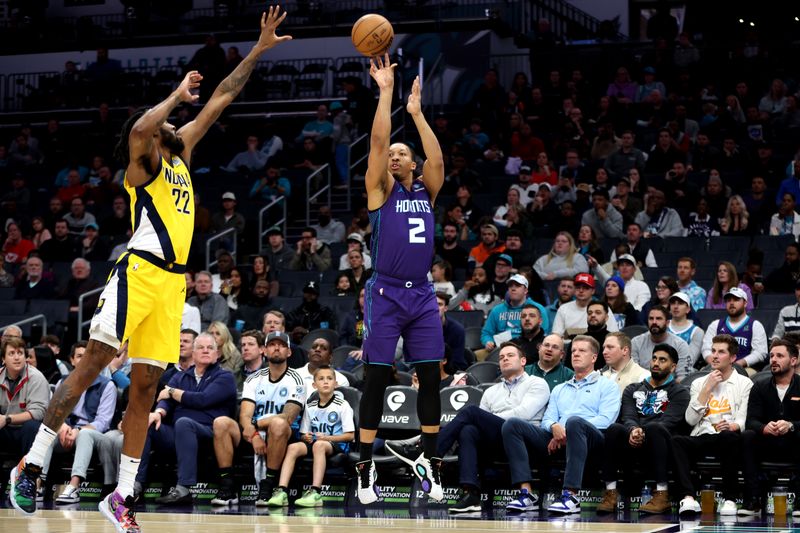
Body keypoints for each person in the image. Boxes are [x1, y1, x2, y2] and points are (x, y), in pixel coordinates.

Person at [8, 8, 292, 528]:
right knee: (92, 364)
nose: (182, 123)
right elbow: (141, 125)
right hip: (136, 273)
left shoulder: (181, 157)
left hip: (170, 286)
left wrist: (256, 49)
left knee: (144, 388)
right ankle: (32, 465)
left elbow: (224, 95)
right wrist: (174, 99)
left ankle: (120, 496)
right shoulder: (142, 167)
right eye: (172, 123)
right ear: (160, 131)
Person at [355, 55, 446, 504]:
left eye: (401, 154)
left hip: (424, 295)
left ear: (413, 164)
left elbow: (438, 158)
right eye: (391, 154)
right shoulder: (380, 189)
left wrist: (416, 114)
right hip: (385, 293)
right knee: (374, 378)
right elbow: (376, 143)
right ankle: (364, 468)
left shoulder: (426, 189)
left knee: (431, 379)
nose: (393, 156)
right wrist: (386, 94)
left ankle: (429, 461)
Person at [419, 342, 549, 513]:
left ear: (523, 361)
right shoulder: (491, 391)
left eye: (510, 356)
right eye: (501, 357)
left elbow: (523, 413)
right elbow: (480, 424)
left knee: (472, 413)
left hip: (525, 440)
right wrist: (485, 420)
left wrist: (487, 419)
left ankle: (430, 454)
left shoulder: (537, 383)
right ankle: (471, 494)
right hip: (498, 442)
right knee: (468, 430)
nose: (504, 359)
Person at [502, 335, 621, 513]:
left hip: (593, 441)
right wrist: (554, 427)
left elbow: (606, 420)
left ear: (594, 357)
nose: (576, 354)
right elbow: (547, 419)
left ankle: (570, 495)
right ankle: (526, 494)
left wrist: (566, 430)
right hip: (557, 439)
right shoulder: (560, 388)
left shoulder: (608, 386)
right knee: (513, 424)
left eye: (582, 351)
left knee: (574, 422)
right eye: (573, 351)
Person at [137, 332, 237, 505]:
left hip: (210, 432)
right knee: (150, 425)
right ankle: (136, 485)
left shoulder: (225, 377)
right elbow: (165, 401)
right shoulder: (181, 376)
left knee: (184, 423)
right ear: (193, 353)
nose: (205, 351)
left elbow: (203, 399)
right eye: (200, 347)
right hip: (180, 433)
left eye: (210, 348)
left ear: (217, 353)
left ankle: (184, 488)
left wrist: (172, 392)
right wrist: (158, 412)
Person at [597, 343, 690, 514]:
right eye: (654, 358)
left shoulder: (680, 392)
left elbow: (669, 421)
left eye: (662, 360)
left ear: (673, 366)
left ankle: (662, 494)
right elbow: (629, 415)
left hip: (661, 443)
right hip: (634, 438)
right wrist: (633, 429)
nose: (656, 363)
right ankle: (611, 493)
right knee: (614, 429)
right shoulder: (632, 389)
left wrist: (642, 431)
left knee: (656, 427)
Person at [672, 334, 753, 517]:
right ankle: (689, 498)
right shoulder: (699, 382)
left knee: (728, 437)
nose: (714, 356)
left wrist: (733, 426)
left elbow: (743, 419)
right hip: (702, 434)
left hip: (727, 436)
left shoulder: (744, 383)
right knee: (677, 441)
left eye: (721, 352)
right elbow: (691, 420)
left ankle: (730, 499)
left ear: (732, 358)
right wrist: (707, 388)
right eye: (713, 351)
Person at [267, 366, 355, 507]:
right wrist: (305, 437)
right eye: (321, 379)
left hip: (337, 444)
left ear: (336, 384)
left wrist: (327, 438)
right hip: (316, 442)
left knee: (319, 445)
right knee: (293, 448)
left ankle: (315, 492)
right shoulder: (310, 406)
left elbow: (350, 436)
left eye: (329, 378)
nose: (325, 382)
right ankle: (281, 491)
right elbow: (304, 433)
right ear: (314, 385)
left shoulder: (343, 405)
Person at [45, 343, 117, 504]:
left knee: (84, 434)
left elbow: (103, 422)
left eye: (88, 356)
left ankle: (74, 487)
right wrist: (62, 426)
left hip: (97, 436)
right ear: (72, 360)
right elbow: (54, 412)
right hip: (67, 431)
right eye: (79, 356)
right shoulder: (62, 383)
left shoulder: (107, 385)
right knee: (47, 432)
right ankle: (38, 484)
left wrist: (78, 430)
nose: (84, 360)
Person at [740, 339, 800, 515]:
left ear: (793, 360)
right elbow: (751, 420)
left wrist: (791, 426)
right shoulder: (760, 386)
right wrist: (764, 428)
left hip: (794, 443)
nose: (773, 359)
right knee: (747, 436)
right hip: (767, 442)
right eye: (772, 355)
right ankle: (753, 500)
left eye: (780, 356)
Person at [0, 338, 48, 466]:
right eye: (11, 353)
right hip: (6, 431)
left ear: (25, 357)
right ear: (3, 359)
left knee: (31, 426)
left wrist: (7, 419)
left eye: (20, 353)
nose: (17, 357)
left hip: (28, 431)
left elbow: (38, 413)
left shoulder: (37, 378)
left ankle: (28, 476)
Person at [701, 287, 768, 372]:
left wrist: (739, 364)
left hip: (744, 368)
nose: (731, 303)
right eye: (729, 300)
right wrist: (714, 362)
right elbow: (706, 349)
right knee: (701, 374)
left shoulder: (755, 325)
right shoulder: (715, 324)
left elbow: (760, 352)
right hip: (717, 366)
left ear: (745, 303)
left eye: (736, 300)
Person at [480, 274, 549, 356]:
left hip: (528, 348)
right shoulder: (497, 310)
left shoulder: (537, 309)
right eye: (510, 286)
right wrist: (488, 341)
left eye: (517, 285)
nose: (513, 288)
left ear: (525, 290)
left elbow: (544, 333)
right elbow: (486, 333)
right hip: (500, 349)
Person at [631, 306, 693, 380]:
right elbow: (633, 374)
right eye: (651, 318)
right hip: (642, 387)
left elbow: (683, 378)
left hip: (671, 388)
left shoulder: (680, 345)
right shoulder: (636, 342)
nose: (654, 322)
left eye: (658, 318)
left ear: (667, 323)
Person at [667, 292, 704, 368]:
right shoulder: (661, 326)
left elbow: (690, 360)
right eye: (673, 303)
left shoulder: (697, 332)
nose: (676, 306)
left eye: (680, 303)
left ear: (688, 309)